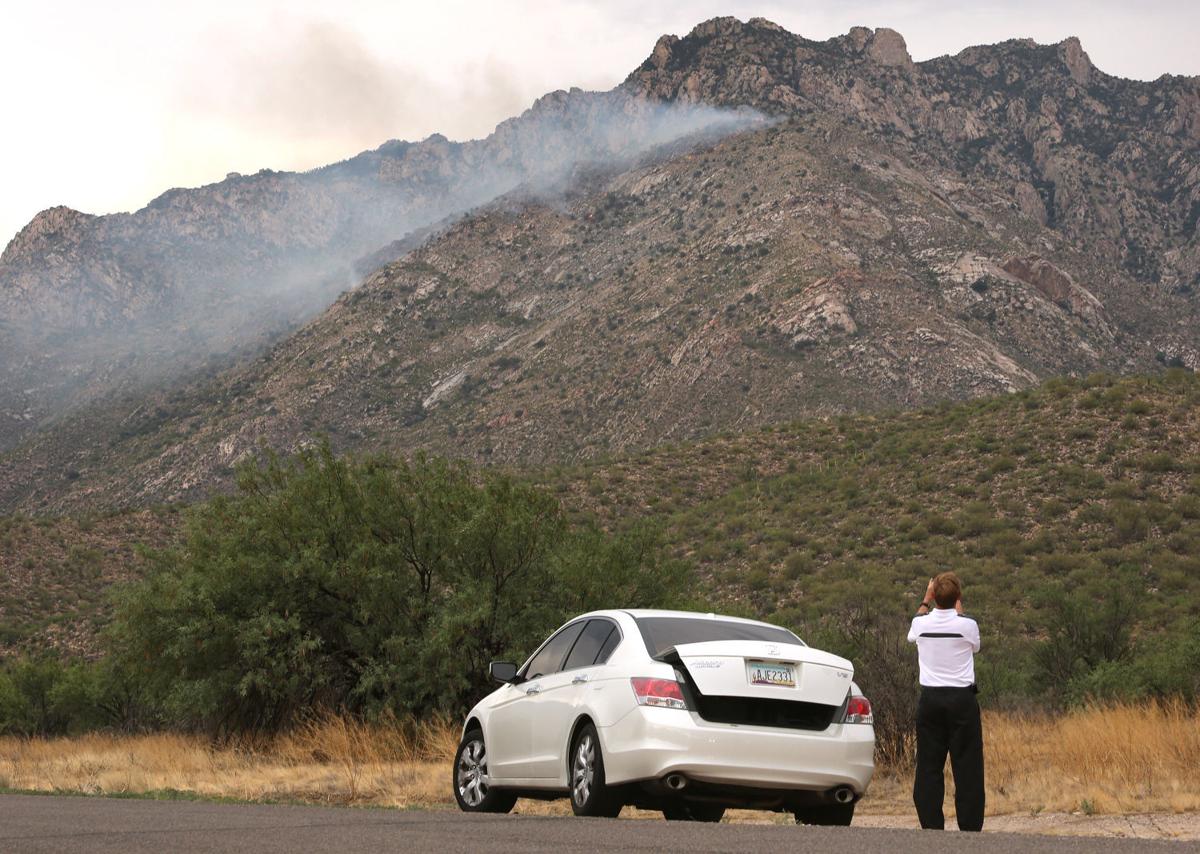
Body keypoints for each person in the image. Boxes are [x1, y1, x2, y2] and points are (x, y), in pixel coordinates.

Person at [906, 571, 984, 832]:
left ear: (932, 595)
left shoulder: (921, 625)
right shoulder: (967, 625)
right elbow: (975, 646)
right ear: (958, 597)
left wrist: (925, 600)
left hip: (931, 700)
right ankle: (970, 827)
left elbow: (914, 627)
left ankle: (931, 826)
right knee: (968, 765)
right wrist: (958, 610)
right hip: (962, 700)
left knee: (928, 765)